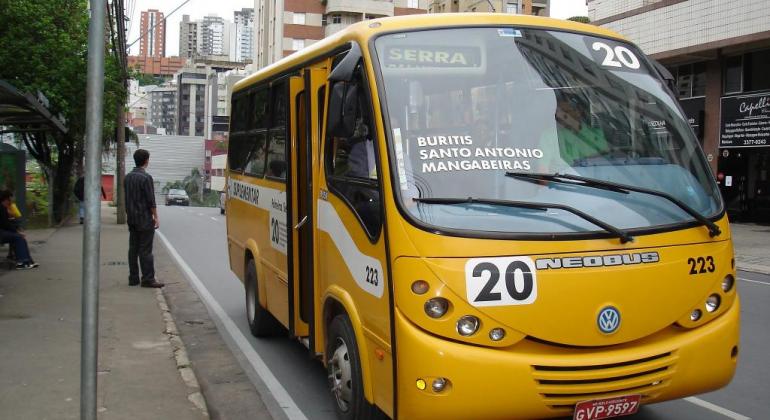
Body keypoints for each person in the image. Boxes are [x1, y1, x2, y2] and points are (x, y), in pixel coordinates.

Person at [124, 149, 163, 288]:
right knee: (145, 250)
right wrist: (156, 217)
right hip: (144, 219)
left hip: (132, 218)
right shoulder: (146, 178)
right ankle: (148, 278)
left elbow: (127, 198)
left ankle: (133, 278)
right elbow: (150, 200)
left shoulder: (127, 177)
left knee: (133, 248)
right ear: (146, 161)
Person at [0, 190, 39, 269]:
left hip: (2, 231)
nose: (10, 202)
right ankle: (23, 261)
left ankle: (27, 261)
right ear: (6, 199)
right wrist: (17, 232)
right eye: (10, 200)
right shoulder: (2, 208)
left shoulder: (3, 208)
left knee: (18, 237)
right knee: (18, 238)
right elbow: (5, 224)